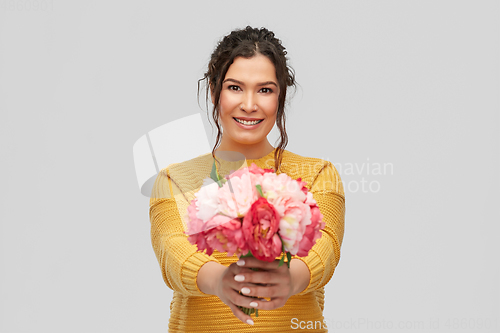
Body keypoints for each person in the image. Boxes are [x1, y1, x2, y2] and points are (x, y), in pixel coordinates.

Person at [149, 26, 345, 332]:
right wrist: (221, 281)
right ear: (215, 92)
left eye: (265, 90)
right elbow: (173, 254)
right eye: (235, 87)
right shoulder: (175, 179)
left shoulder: (319, 175)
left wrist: (289, 279)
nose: (249, 104)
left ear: (280, 97)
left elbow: (325, 250)